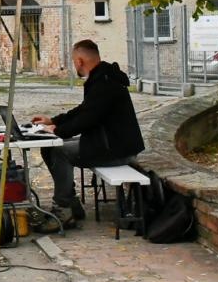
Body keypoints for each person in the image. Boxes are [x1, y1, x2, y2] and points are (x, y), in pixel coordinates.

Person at [31, 39, 145, 229]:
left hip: (116, 150)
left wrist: (58, 131)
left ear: (80, 61)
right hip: (110, 144)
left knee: (58, 151)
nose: (74, 65)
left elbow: (87, 120)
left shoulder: (104, 83)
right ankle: (72, 204)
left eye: (74, 61)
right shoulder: (103, 78)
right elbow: (84, 110)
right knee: (50, 148)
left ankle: (64, 208)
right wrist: (53, 121)